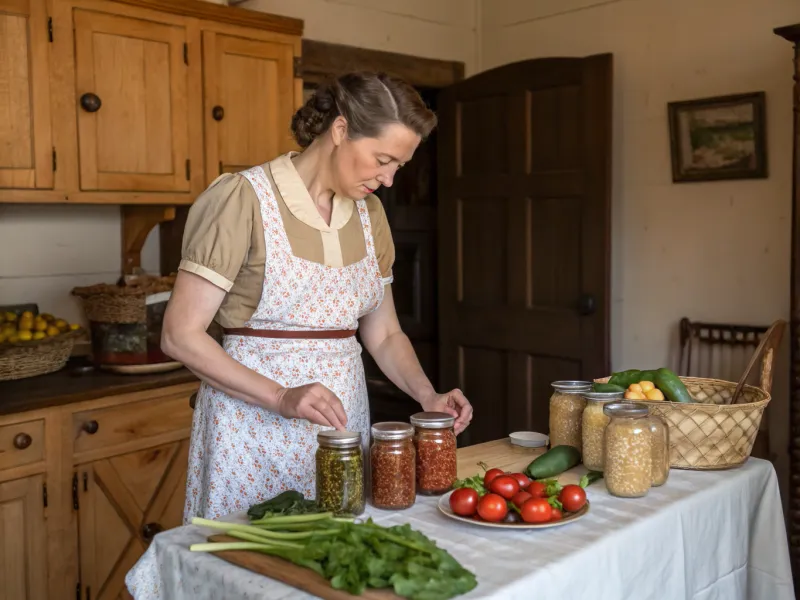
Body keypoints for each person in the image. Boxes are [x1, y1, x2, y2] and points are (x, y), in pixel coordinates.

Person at [162, 72, 473, 522]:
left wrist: (427, 395)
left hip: (341, 436)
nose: (387, 180)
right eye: (382, 159)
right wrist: (281, 397)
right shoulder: (243, 200)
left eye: (398, 167)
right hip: (248, 433)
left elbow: (384, 334)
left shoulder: (370, 216)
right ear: (341, 130)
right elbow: (180, 335)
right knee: (248, 572)